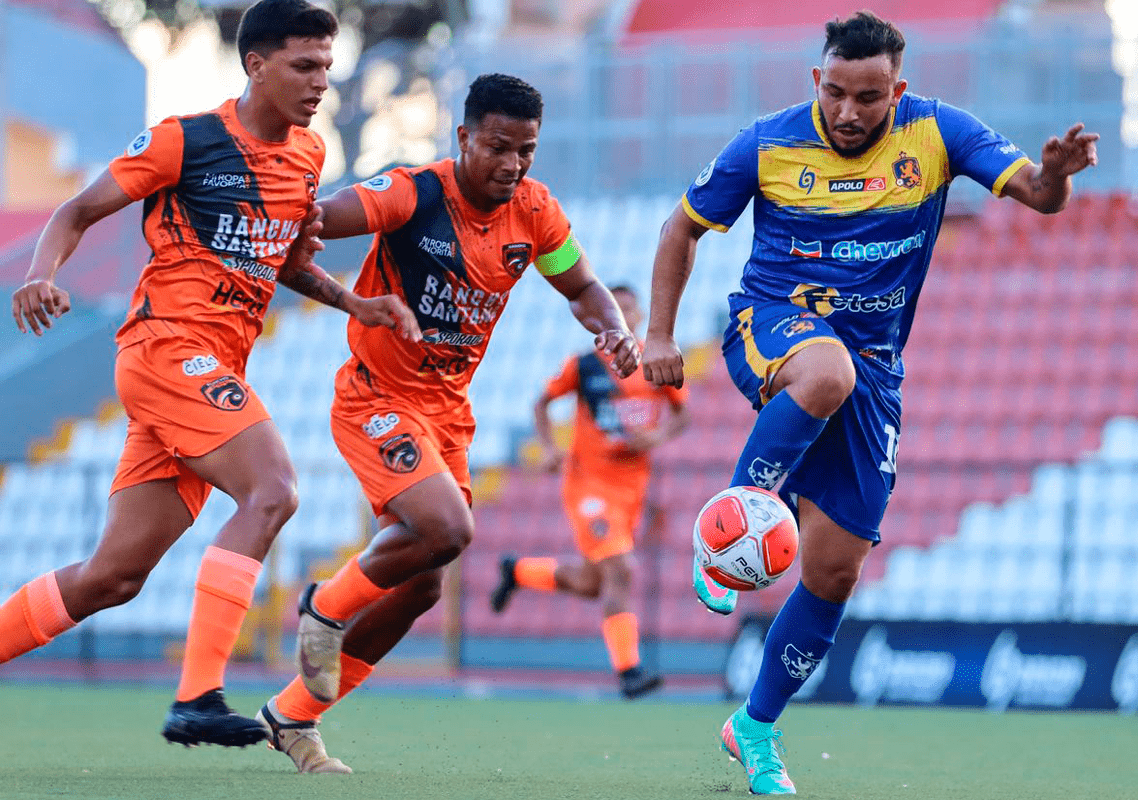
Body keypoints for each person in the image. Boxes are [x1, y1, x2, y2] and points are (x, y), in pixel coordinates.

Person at [640, 11, 1099, 795]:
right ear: (817, 81)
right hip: (774, 321)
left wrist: (1053, 174)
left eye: (871, 97)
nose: (852, 113)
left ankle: (753, 726)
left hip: (878, 368)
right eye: (839, 93)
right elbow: (683, 228)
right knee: (825, 374)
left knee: (836, 570)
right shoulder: (767, 142)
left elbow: (1037, 194)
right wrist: (658, 334)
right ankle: (729, 527)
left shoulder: (937, 134)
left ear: (899, 91)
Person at [2, 0, 418, 748]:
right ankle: (197, 696)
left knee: (112, 576)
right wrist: (41, 275)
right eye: (303, 65)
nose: (320, 80)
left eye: (326, 65)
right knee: (274, 489)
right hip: (165, 349)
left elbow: (285, 260)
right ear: (255, 65)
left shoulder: (308, 155)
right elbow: (74, 210)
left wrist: (356, 301)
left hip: (209, 369)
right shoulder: (183, 140)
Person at [252, 73, 640, 773]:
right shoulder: (414, 193)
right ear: (463, 137)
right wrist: (337, 280)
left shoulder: (534, 212)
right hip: (376, 399)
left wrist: (611, 331)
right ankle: (325, 610)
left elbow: (581, 287)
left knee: (425, 583)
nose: (513, 164)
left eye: (526, 150)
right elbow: (316, 220)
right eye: (498, 147)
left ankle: (293, 716)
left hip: (448, 414)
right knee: (449, 530)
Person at [488, 284, 688, 700]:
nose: (624, 319)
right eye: (615, 312)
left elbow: (682, 414)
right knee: (623, 570)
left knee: (594, 583)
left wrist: (657, 437)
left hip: (630, 491)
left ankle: (518, 571)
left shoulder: (655, 364)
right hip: (588, 485)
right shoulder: (583, 366)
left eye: (629, 311)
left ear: (638, 317)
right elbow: (542, 402)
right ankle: (629, 671)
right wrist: (547, 448)